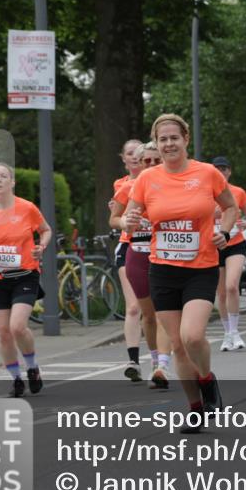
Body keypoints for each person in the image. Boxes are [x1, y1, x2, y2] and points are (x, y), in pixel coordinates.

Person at [122, 114, 238, 434]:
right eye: (163, 139)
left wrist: (224, 233)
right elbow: (129, 217)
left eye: (174, 137)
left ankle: (207, 378)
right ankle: (196, 408)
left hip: (200, 267)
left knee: (193, 335)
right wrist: (129, 222)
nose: (169, 144)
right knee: (177, 344)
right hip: (163, 269)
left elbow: (230, 208)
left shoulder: (207, 174)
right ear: (157, 144)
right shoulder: (147, 179)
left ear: (186, 139)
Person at [0, 163, 52, 397]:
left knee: (17, 327)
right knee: (3, 332)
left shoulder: (27, 208)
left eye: (4, 176)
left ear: (12, 182)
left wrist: (41, 246)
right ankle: (16, 379)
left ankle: (32, 367)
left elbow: (46, 230)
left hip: (25, 275)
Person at [110, 142, 173, 388]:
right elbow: (114, 218)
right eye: (147, 161)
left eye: (156, 161)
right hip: (136, 251)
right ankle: (154, 360)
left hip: (166, 254)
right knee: (146, 313)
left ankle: (162, 366)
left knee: (163, 311)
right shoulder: (129, 187)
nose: (151, 166)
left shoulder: (175, 186)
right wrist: (126, 221)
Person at [212, 156, 246, 351]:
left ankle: (235, 332)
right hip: (214, 245)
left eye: (224, 169)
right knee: (221, 293)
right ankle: (227, 333)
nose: (221, 172)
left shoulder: (238, 192)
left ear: (229, 171)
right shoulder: (205, 193)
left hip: (235, 243)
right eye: (217, 169)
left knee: (232, 286)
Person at [110, 139, 145, 382]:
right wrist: (121, 218)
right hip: (129, 244)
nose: (134, 158)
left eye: (138, 154)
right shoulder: (121, 185)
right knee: (133, 307)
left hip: (157, 246)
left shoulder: (160, 179)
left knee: (154, 310)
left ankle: (159, 360)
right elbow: (115, 216)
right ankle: (133, 360)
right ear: (123, 158)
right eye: (129, 154)